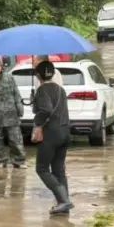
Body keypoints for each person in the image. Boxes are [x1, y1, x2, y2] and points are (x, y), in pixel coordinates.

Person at [32, 60, 74, 214]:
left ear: (38, 75)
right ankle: (64, 204)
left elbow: (46, 110)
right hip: (65, 132)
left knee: (41, 168)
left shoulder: (42, 90)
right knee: (58, 169)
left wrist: (38, 122)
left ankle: (63, 201)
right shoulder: (60, 89)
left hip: (51, 133)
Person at [0, 58, 26, 169]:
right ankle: (1, 160)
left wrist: (19, 107)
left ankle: (19, 161)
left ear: (2, 67)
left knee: (15, 138)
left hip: (11, 113)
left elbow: (16, 93)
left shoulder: (9, 77)